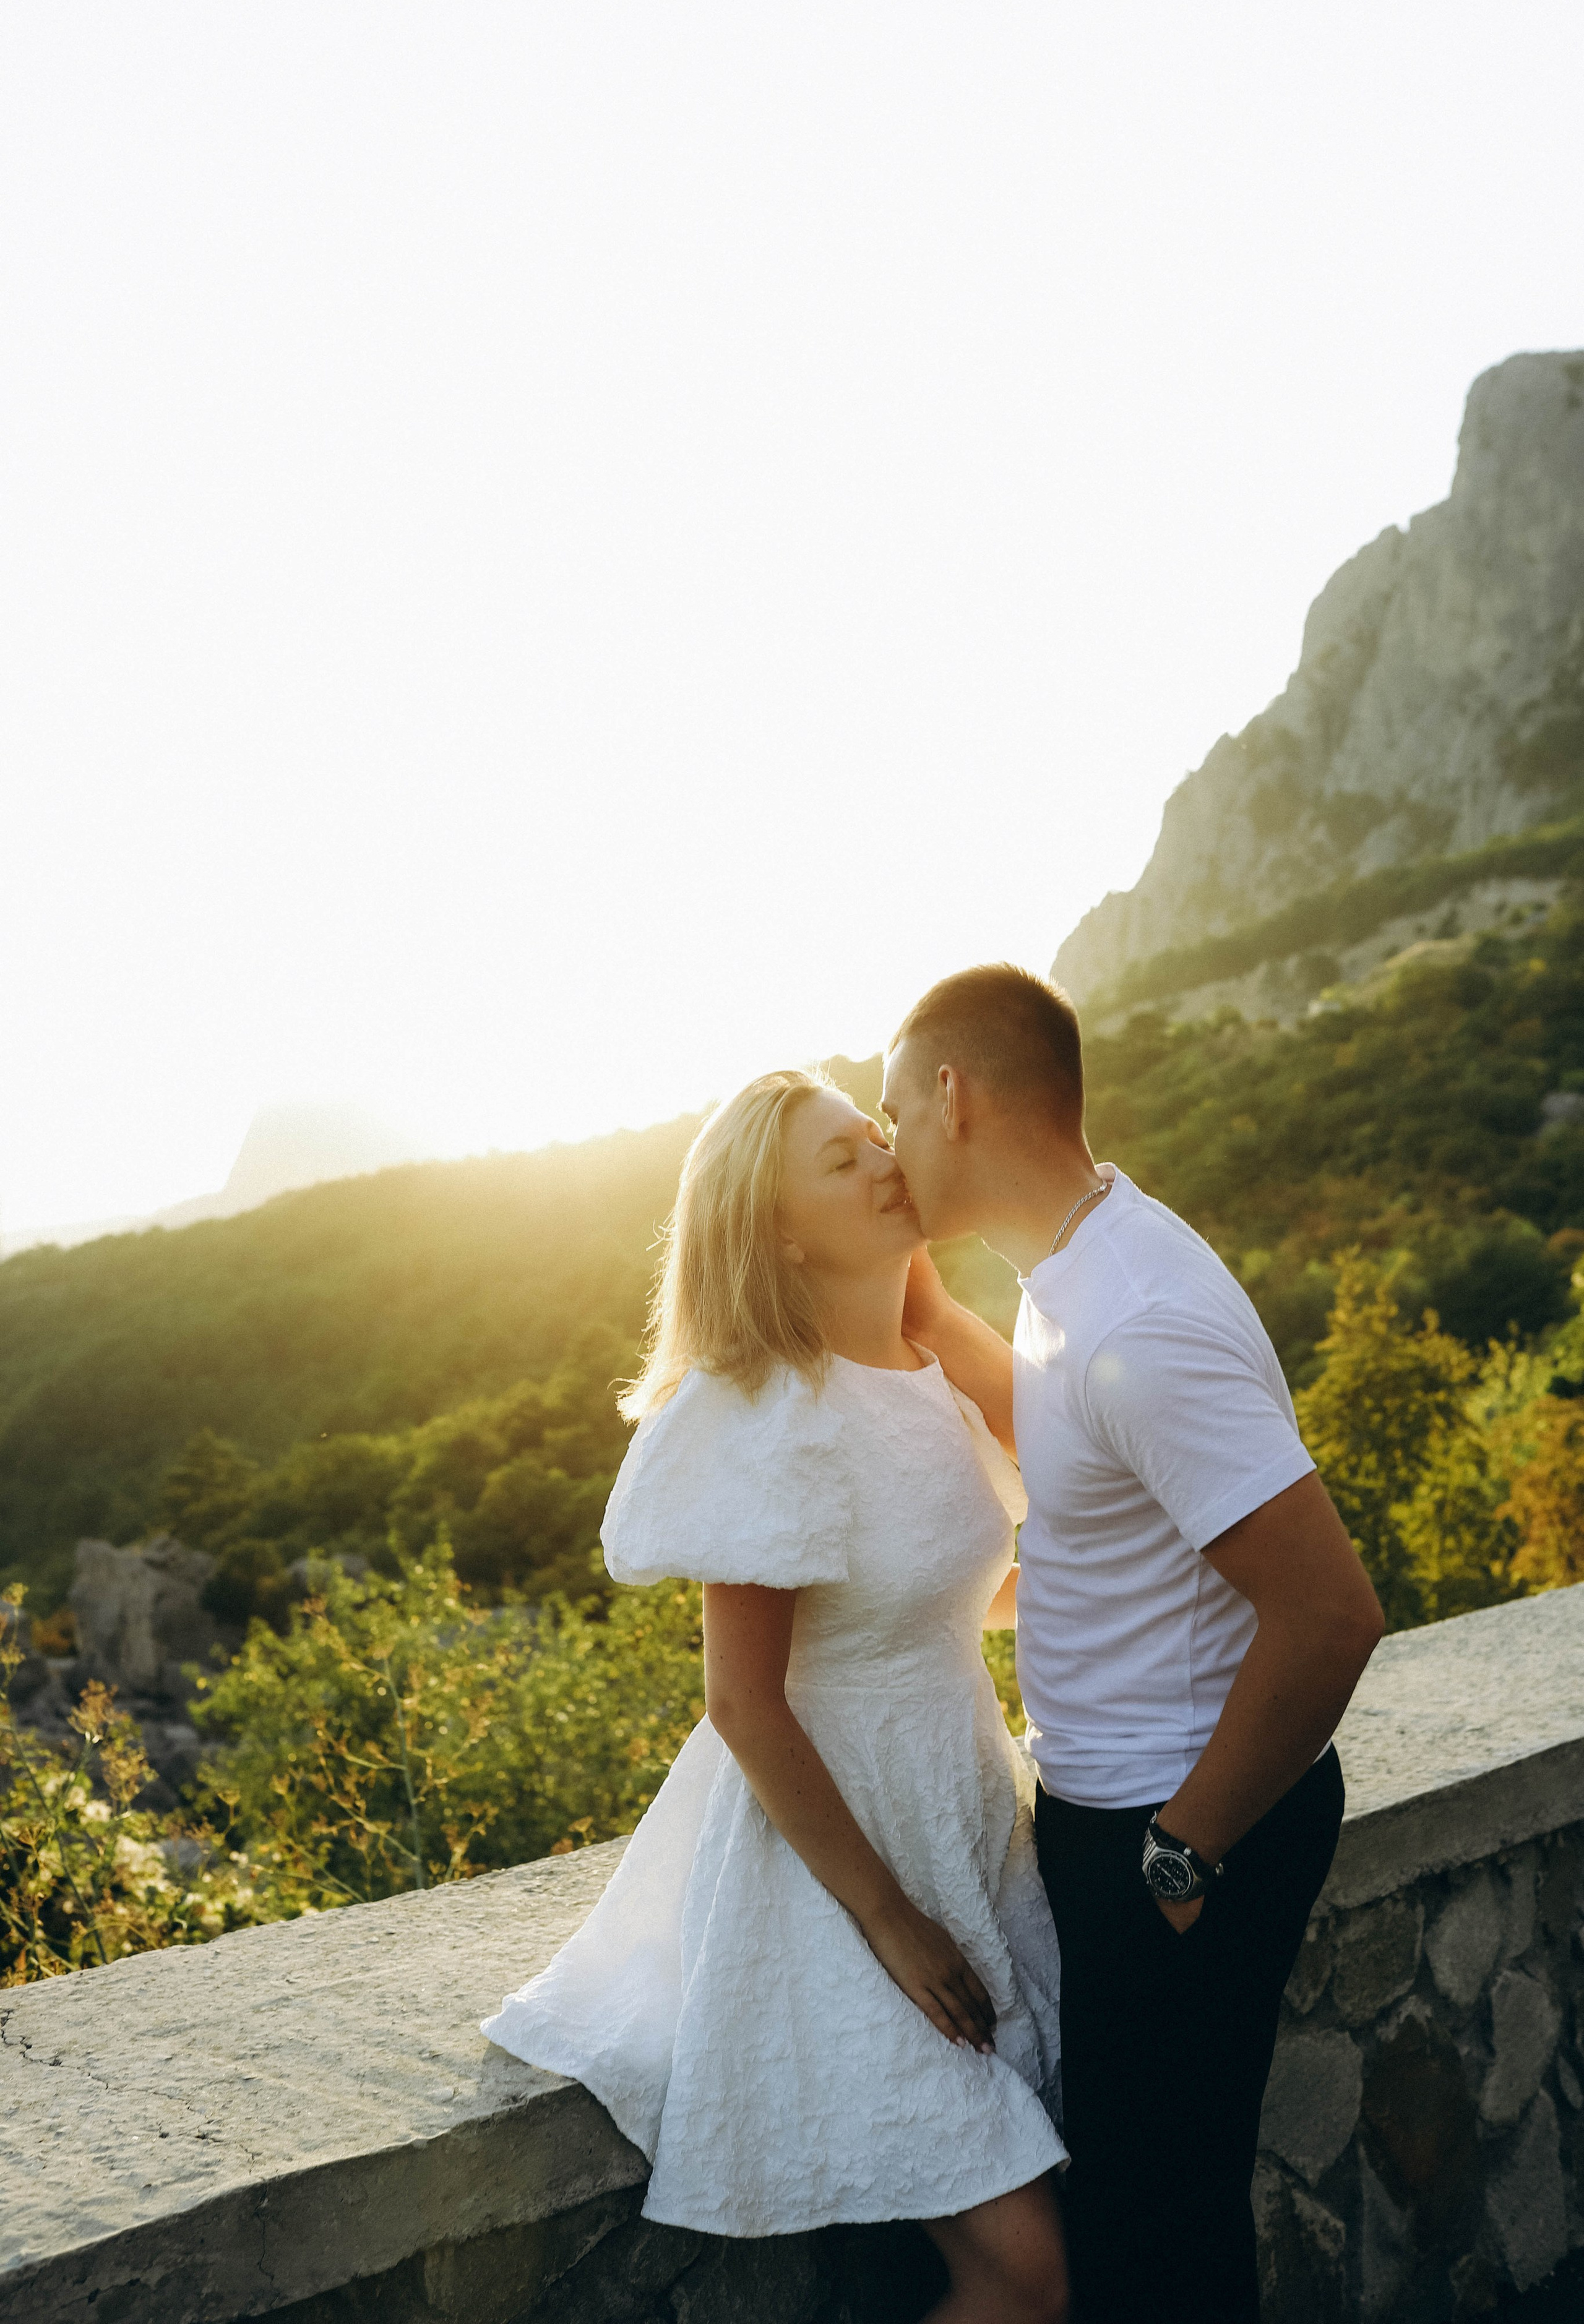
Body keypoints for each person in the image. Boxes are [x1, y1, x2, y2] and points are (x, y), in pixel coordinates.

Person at [481, 1070, 1070, 2324]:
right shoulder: (768, 1408)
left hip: (956, 1812)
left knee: (1023, 2235)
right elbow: (742, 1701)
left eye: (873, 1133)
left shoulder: (919, 1372)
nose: (879, 1155)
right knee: (1026, 2271)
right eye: (838, 1158)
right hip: (828, 1873)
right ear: (778, 1227)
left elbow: (947, 1592)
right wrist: (889, 1921)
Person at [882, 964, 1384, 2324]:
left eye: (892, 1110)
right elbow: (1068, 1436)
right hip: (1132, 1814)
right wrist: (925, 1317)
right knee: (1151, 2208)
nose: (886, 1147)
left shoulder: (1138, 1317)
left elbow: (1331, 1615)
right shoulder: (1073, 1273)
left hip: (1179, 1825)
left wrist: (1179, 1852)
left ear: (953, 1093)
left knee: (1153, 2232)